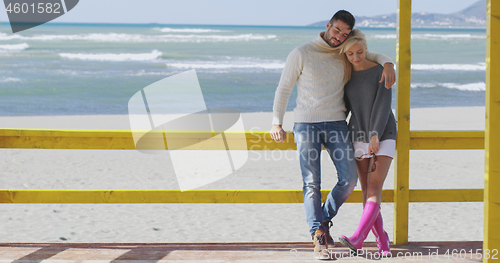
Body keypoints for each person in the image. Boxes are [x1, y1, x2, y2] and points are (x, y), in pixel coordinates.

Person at [269, 10, 395, 258]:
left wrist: (389, 62)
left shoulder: (344, 53)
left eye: (345, 34)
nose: (339, 37)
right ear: (328, 26)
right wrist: (277, 122)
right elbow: (283, 87)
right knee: (311, 182)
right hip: (306, 124)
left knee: (349, 180)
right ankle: (318, 234)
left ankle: (322, 221)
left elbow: (369, 55)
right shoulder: (302, 52)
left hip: (338, 124)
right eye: (337, 30)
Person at [338, 29, 396, 257]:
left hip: (384, 133)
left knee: (374, 187)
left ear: (366, 49)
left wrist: (375, 134)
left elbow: (383, 103)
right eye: (350, 53)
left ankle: (357, 238)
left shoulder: (381, 70)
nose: (356, 57)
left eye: (360, 52)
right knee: (366, 192)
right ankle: (382, 240)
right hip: (356, 135)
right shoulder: (346, 75)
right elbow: (343, 108)